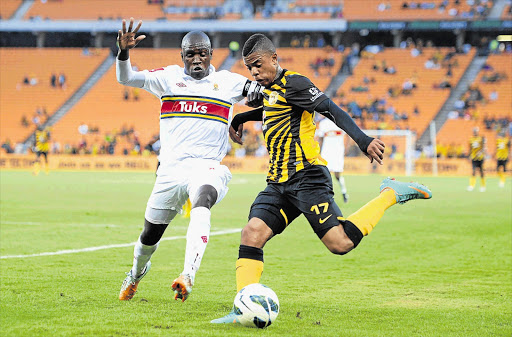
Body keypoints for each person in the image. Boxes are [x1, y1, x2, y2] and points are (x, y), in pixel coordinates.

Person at [211, 34, 432, 324]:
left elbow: (331, 109)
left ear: (274, 59)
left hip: (307, 178)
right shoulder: (269, 88)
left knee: (339, 243)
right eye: (249, 67)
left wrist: (363, 140)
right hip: (278, 182)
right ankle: (243, 306)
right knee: (252, 233)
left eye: (258, 65)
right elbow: (271, 106)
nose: (253, 72)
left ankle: (390, 193)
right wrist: (241, 118)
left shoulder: (296, 83)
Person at [116, 18, 262, 302]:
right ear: (182, 56)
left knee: (204, 197)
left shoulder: (228, 82)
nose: (197, 59)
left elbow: (262, 96)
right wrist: (123, 53)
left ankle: (188, 274)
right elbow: (126, 78)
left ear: (211, 55)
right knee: (149, 236)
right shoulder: (168, 78)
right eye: (190, 54)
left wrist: (246, 111)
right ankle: (135, 274)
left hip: (207, 165)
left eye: (202, 53)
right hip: (171, 170)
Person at [316, 116, 349, 203]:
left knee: (337, 175)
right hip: (326, 152)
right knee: (324, 174)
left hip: (338, 151)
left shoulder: (340, 120)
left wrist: (346, 147)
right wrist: (318, 152)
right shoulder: (323, 123)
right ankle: (325, 196)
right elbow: (320, 139)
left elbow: (348, 135)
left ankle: (344, 192)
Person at [467, 127, 486, 192]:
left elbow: (484, 148)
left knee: (481, 172)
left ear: (477, 132)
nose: (475, 132)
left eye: (476, 131)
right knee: (473, 171)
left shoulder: (481, 139)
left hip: (480, 158)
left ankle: (483, 186)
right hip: (474, 158)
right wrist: (469, 156)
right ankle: (472, 185)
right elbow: (470, 148)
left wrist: (480, 152)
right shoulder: (471, 139)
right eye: (474, 131)